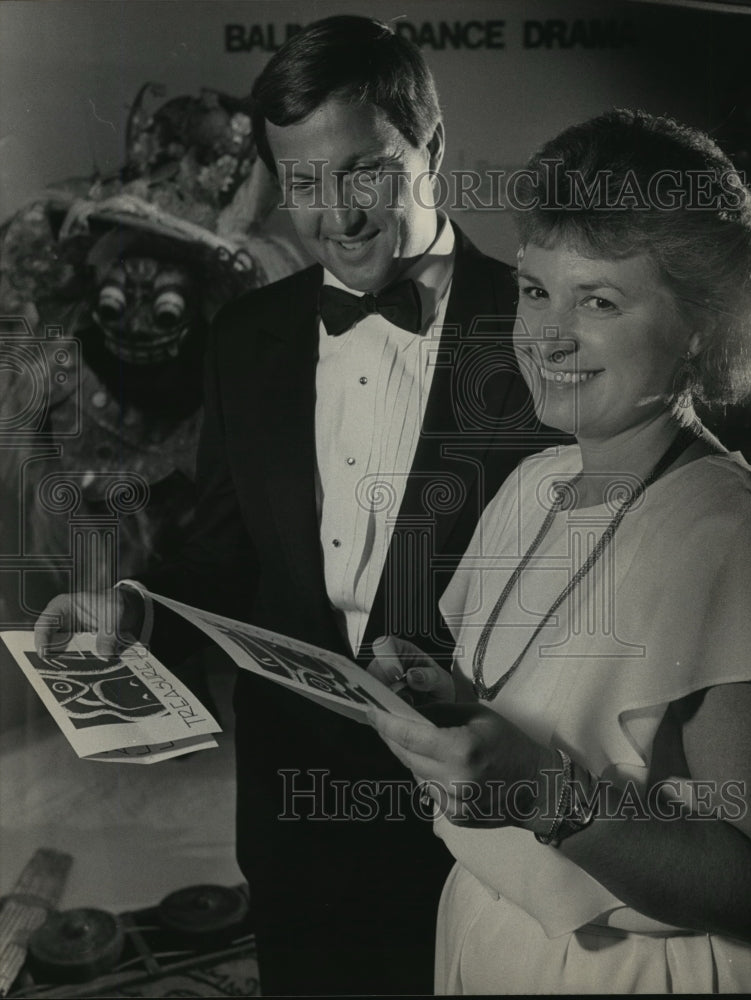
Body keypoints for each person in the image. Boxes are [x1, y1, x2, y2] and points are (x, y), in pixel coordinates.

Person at [34, 16, 553, 995]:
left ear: (430, 151)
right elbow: (221, 552)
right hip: (294, 825)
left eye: (363, 174)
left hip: (486, 837)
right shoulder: (247, 337)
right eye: (303, 183)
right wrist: (135, 608)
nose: (334, 217)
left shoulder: (541, 332)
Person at [368, 109, 751, 994]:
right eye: (533, 290)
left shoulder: (723, 529)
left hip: (637, 971)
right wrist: (449, 702)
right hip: (487, 928)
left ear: (703, 326)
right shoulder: (535, 482)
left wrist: (536, 795)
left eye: (598, 300)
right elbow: (555, 705)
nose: (546, 336)